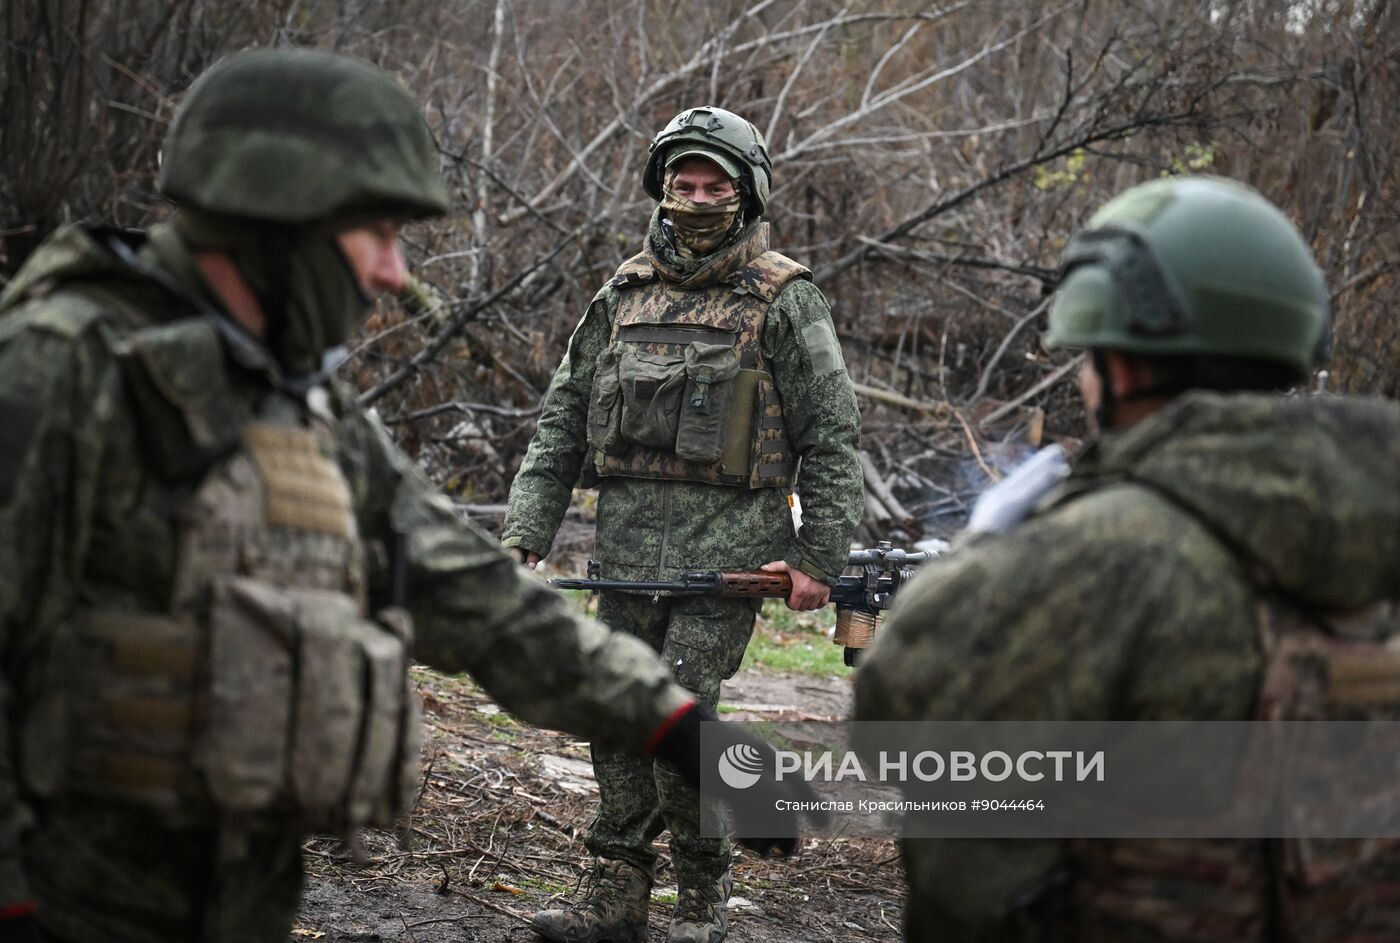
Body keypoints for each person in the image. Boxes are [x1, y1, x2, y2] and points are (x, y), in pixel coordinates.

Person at [0, 50, 805, 943]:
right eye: (376, 233)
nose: (394, 272)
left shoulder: (298, 403)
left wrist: (677, 726)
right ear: (277, 218)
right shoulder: (59, 373)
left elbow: (474, 595)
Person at [854, 176, 1400, 941]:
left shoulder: (1111, 550)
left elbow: (894, 716)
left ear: (1126, 367)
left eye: (1089, 357)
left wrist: (981, 556)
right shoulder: (1375, 522)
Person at [504, 105, 863, 943]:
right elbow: (561, 421)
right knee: (615, 717)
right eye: (683, 184)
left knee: (679, 718)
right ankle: (616, 889)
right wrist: (527, 530)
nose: (697, 200)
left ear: (747, 193)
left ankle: (702, 896)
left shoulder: (785, 299)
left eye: (715, 187)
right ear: (661, 188)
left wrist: (817, 557)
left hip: (728, 562)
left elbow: (832, 436)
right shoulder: (623, 294)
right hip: (626, 554)